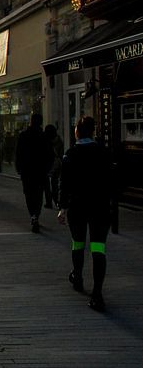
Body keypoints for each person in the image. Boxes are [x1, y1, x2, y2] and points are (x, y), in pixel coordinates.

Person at [58, 116, 113, 312]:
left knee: (78, 243)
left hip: (78, 207)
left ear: (77, 132)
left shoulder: (71, 154)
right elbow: (112, 181)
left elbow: (65, 184)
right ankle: (97, 292)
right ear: (93, 131)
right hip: (100, 208)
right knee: (98, 248)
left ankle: (78, 275)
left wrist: (62, 208)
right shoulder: (103, 153)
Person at [16, 113, 53, 233]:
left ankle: (33, 215)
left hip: (27, 171)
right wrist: (48, 168)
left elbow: (18, 153)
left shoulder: (24, 135)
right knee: (38, 195)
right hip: (40, 171)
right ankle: (36, 215)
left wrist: (19, 167)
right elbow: (50, 154)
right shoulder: (43, 137)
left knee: (29, 194)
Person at [44, 124, 64, 208]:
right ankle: (57, 202)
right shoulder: (58, 140)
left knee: (47, 185)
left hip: (49, 164)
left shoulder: (46, 141)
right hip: (57, 164)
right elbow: (61, 153)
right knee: (54, 183)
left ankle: (49, 202)